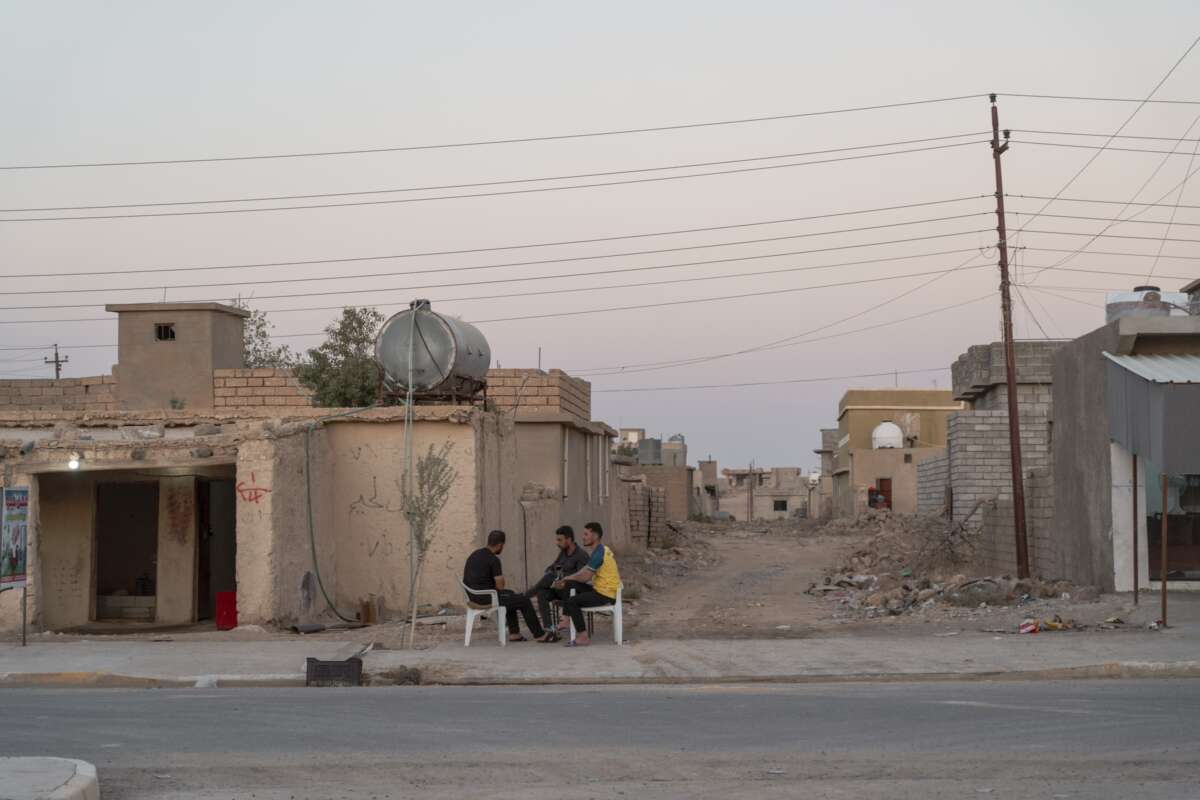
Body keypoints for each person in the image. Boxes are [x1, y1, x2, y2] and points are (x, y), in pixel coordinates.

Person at [462, 530, 551, 642]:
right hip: (486, 597)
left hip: (472, 596)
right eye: (503, 546)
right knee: (524, 600)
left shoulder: (474, 554)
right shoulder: (493, 560)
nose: (502, 548)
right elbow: (500, 587)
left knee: (510, 595)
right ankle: (540, 635)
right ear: (500, 545)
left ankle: (515, 634)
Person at [555, 522, 621, 647]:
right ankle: (565, 619)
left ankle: (583, 637)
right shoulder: (599, 550)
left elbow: (585, 577)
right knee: (570, 583)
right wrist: (567, 578)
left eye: (586, 534)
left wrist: (566, 578)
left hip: (605, 594)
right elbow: (584, 570)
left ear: (595, 536)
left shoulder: (599, 553)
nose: (583, 537)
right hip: (601, 590)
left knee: (572, 601)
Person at [528, 525, 593, 641]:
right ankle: (549, 630)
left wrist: (564, 579)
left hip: (573, 592)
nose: (557, 543)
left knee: (549, 578)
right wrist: (552, 572)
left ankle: (527, 595)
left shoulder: (581, 555)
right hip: (559, 589)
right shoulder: (563, 553)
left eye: (560, 540)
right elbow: (553, 567)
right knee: (542, 592)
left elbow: (583, 577)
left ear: (569, 539)